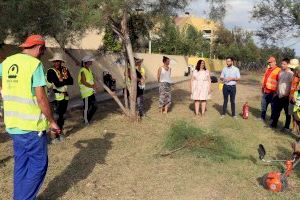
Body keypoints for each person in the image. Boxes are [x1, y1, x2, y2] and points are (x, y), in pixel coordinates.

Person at [0, 35, 60, 200]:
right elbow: (41, 98)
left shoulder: (7, 62)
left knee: (22, 164)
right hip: (31, 127)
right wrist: (52, 122)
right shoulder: (35, 64)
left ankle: (19, 196)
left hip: (13, 125)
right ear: (40, 48)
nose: (42, 54)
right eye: (43, 51)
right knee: (39, 165)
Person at [47, 53, 73, 139]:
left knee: (62, 116)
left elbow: (71, 81)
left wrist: (62, 80)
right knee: (57, 116)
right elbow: (57, 84)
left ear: (61, 62)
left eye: (58, 61)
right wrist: (64, 80)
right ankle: (56, 135)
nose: (56, 63)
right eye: (55, 61)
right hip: (55, 96)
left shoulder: (65, 69)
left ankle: (59, 132)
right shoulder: (51, 71)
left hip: (65, 96)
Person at [270, 58, 293, 130]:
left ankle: (286, 127)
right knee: (276, 111)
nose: (282, 65)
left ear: (288, 65)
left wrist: (287, 94)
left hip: (286, 97)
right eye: (282, 64)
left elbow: (292, 86)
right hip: (279, 95)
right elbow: (278, 83)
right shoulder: (280, 72)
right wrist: (276, 92)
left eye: (284, 64)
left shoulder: (291, 74)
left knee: (287, 113)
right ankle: (274, 124)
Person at [78, 55, 98, 124]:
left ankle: (87, 119)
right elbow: (83, 81)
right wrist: (91, 86)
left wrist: (94, 86)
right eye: (90, 61)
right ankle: (86, 121)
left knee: (95, 106)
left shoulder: (89, 69)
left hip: (91, 92)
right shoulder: (82, 70)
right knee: (86, 107)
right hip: (86, 93)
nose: (91, 62)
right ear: (87, 62)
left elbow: (90, 80)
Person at [261, 56, 281, 122]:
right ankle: (262, 117)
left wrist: (276, 92)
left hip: (273, 92)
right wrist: (262, 87)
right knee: (263, 105)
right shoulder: (268, 69)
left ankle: (272, 119)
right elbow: (265, 79)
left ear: (275, 62)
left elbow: (279, 82)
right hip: (265, 91)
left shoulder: (279, 70)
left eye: (271, 62)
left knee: (273, 107)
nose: (270, 63)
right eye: (269, 62)